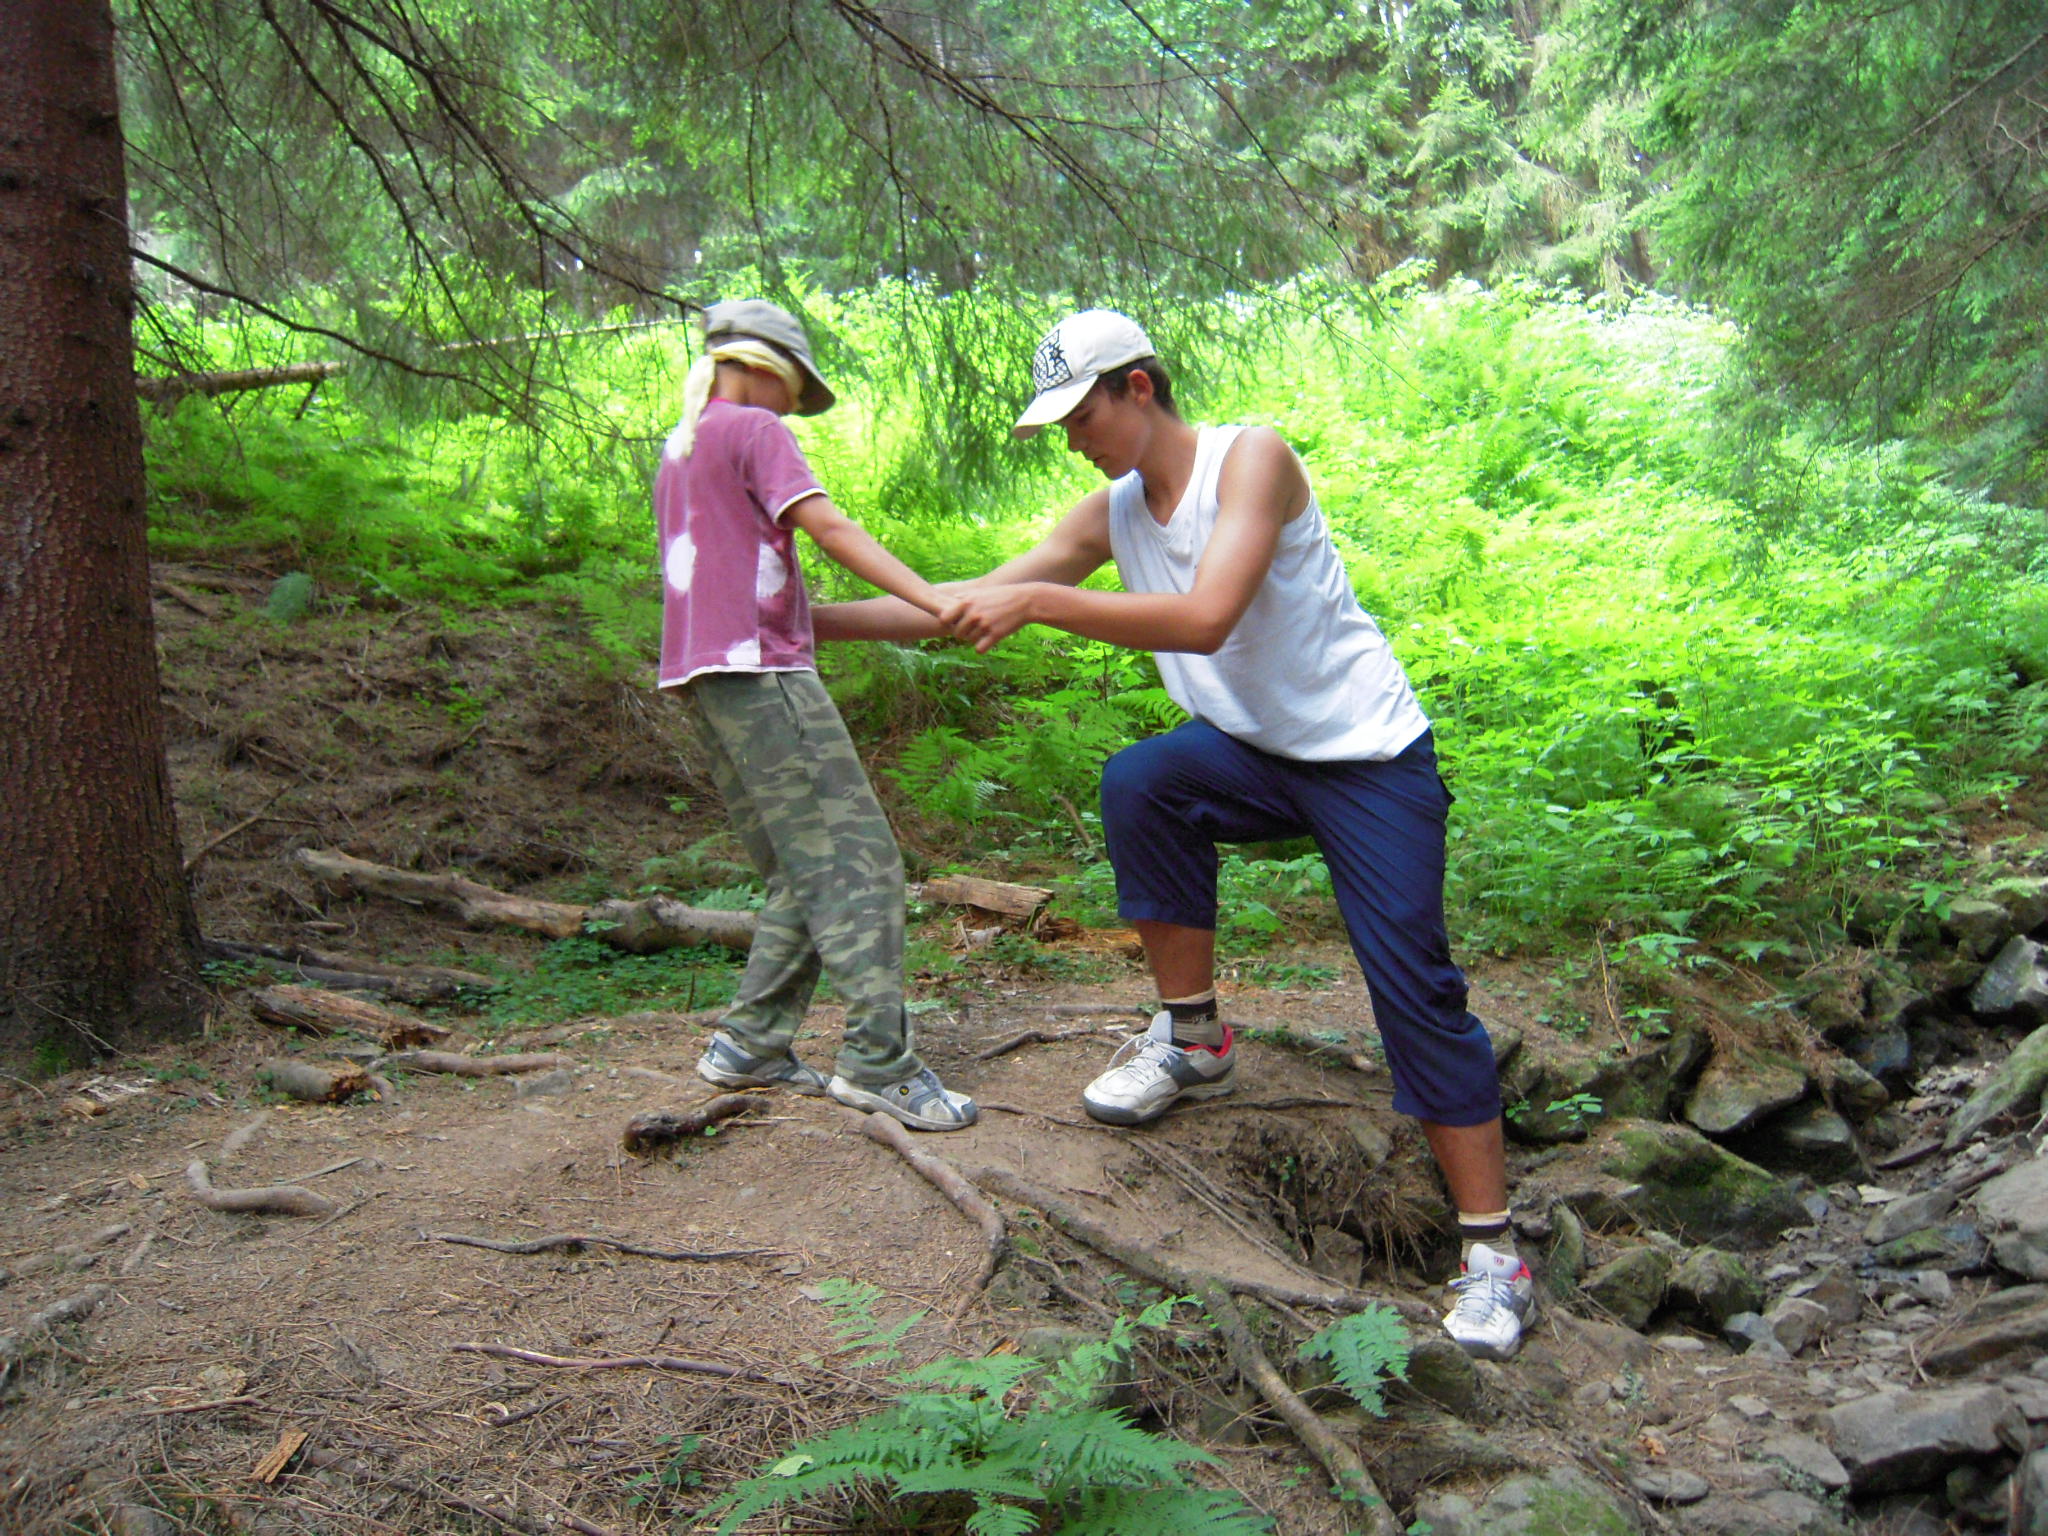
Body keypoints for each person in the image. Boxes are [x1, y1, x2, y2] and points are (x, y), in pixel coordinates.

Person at [813, 310, 1529, 1354]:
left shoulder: (1252, 462)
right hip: (1252, 754)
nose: (1072, 439)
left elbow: (1204, 617)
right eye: (1059, 424)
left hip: (1368, 761)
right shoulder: (1111, 509)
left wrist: (1045, 605)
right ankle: (1193, 1039)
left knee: (1413, 989)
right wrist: (801, 623)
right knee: (1142, 780)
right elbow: (966, 600)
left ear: (1139, 387)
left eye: (1082, 415)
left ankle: (1493, 1256)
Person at [654, 299, 976, 1132]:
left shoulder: (684, 445)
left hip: (704, 677)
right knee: (862, 863)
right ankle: (879, 1062)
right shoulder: (753, 428)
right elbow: (828, 526)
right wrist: (933, 601)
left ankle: (750, 1044)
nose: (795, 411)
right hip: (763, 676)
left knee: (803, 870)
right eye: (796, 393)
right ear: (767, 369)